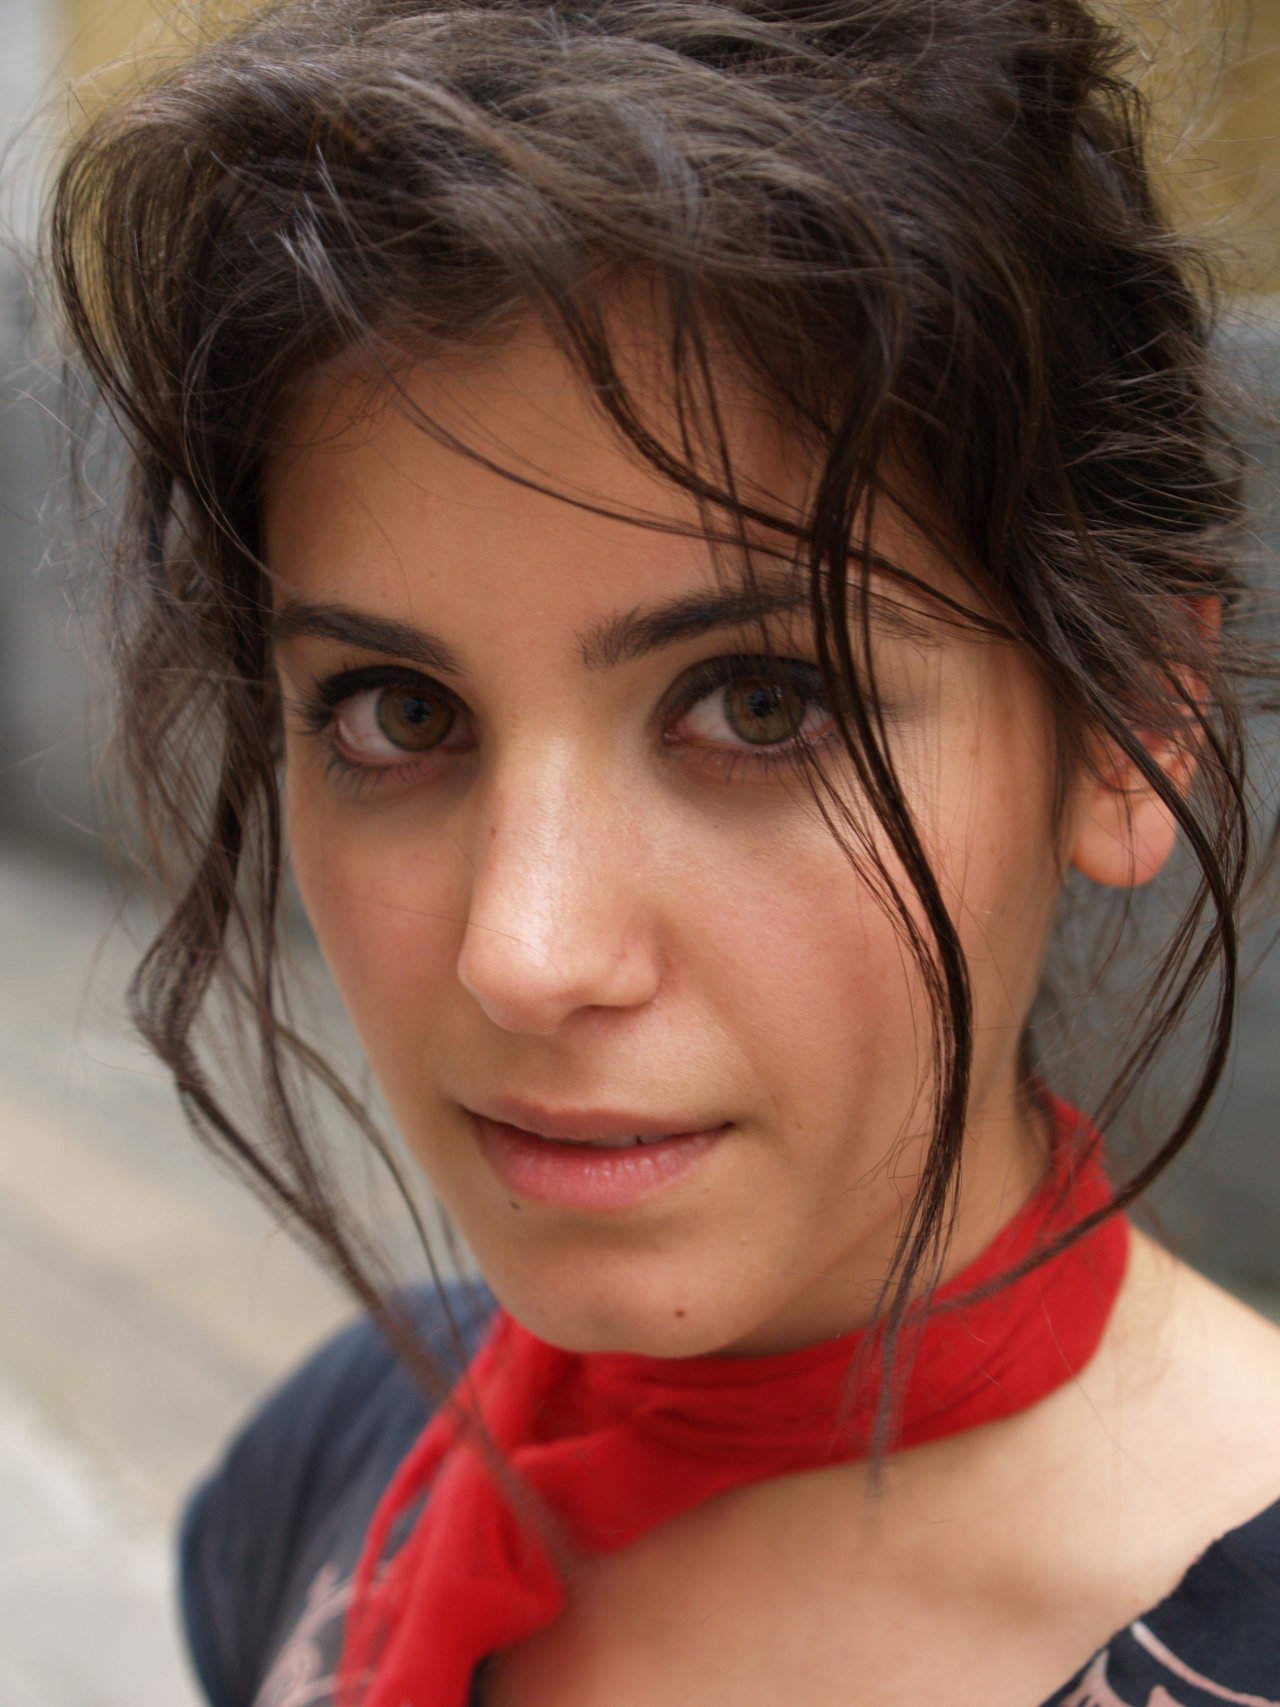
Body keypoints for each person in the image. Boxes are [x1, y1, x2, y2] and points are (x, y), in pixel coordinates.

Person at [48, 0, 1280, 1702]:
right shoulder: (330, 1464)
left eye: (763, 705)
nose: (524, 954)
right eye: (399, 713)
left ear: (1129, 719)